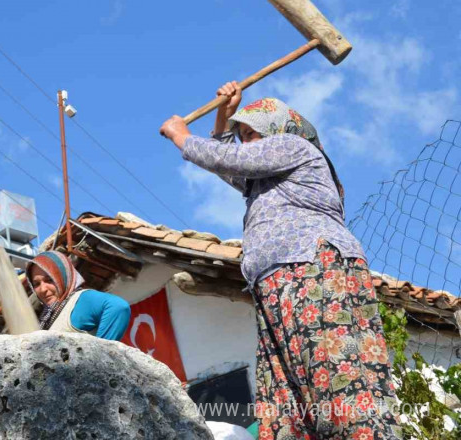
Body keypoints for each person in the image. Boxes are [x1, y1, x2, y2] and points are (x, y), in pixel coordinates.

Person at [159, 83, 402, 440]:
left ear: (277, 128)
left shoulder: (293, 146)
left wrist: (182, 136)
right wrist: (225, 112)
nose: (247, 141)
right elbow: (228, 164)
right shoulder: (266, 177)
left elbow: (229, 159)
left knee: (338, 377)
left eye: (252, 132)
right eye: (242, 135)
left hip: (313, 272)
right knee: (290, 396)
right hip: (278, 285)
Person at [26, 251, 131, 340]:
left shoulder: (80, 300)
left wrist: (102, 353)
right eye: (36, 284)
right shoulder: (48, 316)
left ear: (63, 277)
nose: (43, 289)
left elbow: (118, 307)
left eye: (49, 280)